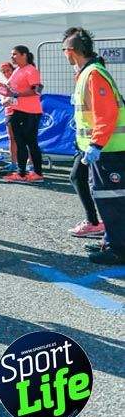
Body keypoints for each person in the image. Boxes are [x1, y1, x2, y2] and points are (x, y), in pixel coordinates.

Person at [63, 28, 125, 264]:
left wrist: (96, 144)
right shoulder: (88, 72)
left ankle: (118, 249)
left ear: (71, 51)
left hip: (109, 149)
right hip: (101, 148)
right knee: (105, 196)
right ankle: (111, 241)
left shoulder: (93, 74)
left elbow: (106, 114)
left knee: (112, 199)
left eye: (64, 50)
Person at [0, 46, 44, 183]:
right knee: (20, 143)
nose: (12, 57)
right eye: (12, 54)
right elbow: (10, 89)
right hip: (17, 111)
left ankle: (36, 173)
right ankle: (22, 173)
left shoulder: (31, 70)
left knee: (31, 143)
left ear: (24, 55)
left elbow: (37, 90)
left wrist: (16, 95)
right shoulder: (17, 71)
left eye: (15, 54)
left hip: (30, 112)